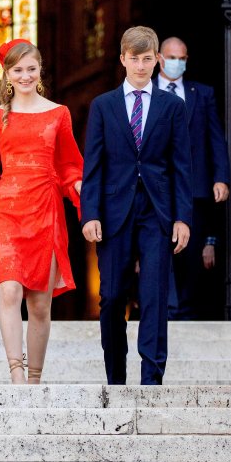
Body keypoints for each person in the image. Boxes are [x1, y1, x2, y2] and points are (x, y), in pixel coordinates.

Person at [0, 39, 84, 384]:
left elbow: (70, 166)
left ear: (40, 70)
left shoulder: (59, 113)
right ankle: (17, 375)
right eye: (18, 70)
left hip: (45, 211)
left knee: (40, 304)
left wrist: (80, 193)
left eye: (31, 68)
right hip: (7, 212)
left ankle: (35, 378)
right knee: (10, 290)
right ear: (7, 74)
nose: (25, 75)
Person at [81, 25, 193, 386]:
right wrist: (90, 214)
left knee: (154, 295)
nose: (141, 66)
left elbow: (181, 166)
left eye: (148, 59)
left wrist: (182, 217)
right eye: (134, 59)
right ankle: (116, 376)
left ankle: (151, 379)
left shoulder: (173, 107)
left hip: (157, 211)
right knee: (112, 295)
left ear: (157, 59)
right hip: (114, 211)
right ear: (122, 60)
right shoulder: (103, 106)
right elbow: (93, 165)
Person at [156, 36, 231, 319]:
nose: (178, 63)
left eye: (183, 58)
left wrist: (220, 177)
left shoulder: (202, 93)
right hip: (157, 187)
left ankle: (185, 312)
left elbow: (216, 138)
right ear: (160, 58)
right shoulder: (145, 92)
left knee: (189, 254)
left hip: (195, 188)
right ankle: (168, 310)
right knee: (160, 249)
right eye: (172, 57)